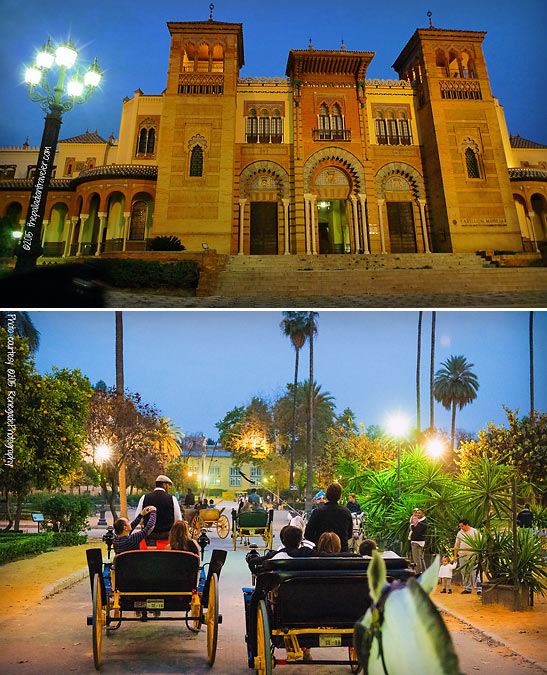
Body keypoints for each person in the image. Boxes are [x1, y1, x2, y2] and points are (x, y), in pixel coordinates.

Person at [304, 483, 353, 552]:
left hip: (321, 554)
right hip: (342, 554)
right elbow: (349, 535)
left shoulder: (317, 512)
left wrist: (320, 541)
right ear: (339, 496)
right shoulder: (346, 512)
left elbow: (308, 535)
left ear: (326, 495)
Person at [136, 475, 182, 542]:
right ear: (164, 485)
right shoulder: (172, 499)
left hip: (149, 537)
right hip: (167, 537)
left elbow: (138, 518)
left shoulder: (144, 498)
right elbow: (178, 520)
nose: (169, 488)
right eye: (168, 485)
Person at [455, 519, 481, 595]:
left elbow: (480, 541)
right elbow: (456, 545)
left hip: (472, 555)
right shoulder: (460, 533)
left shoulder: (474, 531)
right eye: (460, 526)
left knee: (475, 572)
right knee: (464, 572)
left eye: (462, 526)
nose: (461, 528)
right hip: (462, 555)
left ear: (467, 525)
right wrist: (455, 556)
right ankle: (467, 588)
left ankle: (478, 589)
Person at [410, 508, 427, 574]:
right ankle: (424, 573)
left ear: (423, 514)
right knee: (420, 558)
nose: (417, 514)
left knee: (416, 559)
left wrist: (412, 525)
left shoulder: (423, 523)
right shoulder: (420, 521)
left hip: (417, 542)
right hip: (418, 542)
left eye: (419, 513)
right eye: (417, 513)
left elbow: (416, 530)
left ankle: (418, 573)